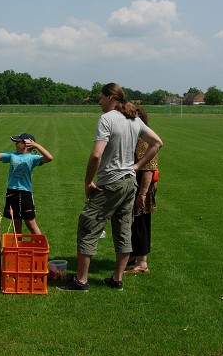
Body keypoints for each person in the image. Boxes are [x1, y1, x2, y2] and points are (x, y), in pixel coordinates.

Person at [58, 83, 163, 292]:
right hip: (129, 183)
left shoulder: (107, 119)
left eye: (100, 97)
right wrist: (135, 167)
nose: (99, 102)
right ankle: (117, 279)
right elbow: (157, 142)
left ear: (109, 97)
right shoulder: (134, 119)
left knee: (88, 224)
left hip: (112, 183)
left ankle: (81, 281)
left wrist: (88, 181)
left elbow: (96, 154)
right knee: (123, 230)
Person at [0, 133, 53, 234]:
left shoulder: (33, 158)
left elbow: (49, 158)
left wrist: (36, 145)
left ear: (27, 144)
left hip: (25, 194)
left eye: (17, 141)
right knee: (16, 223)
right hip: (11, 192)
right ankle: (18, 248)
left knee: (31, 224)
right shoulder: (12, 155)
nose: (15, 143)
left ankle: (40, 247)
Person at [125, 108, 158, 274]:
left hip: (142, 188)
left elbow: (148, 170)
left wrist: (142, 194)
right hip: (135, 187)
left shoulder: (145, 140)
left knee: (141, 223)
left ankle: (142, 263)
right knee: (132, 222)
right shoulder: (137, 138)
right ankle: (132, 255)